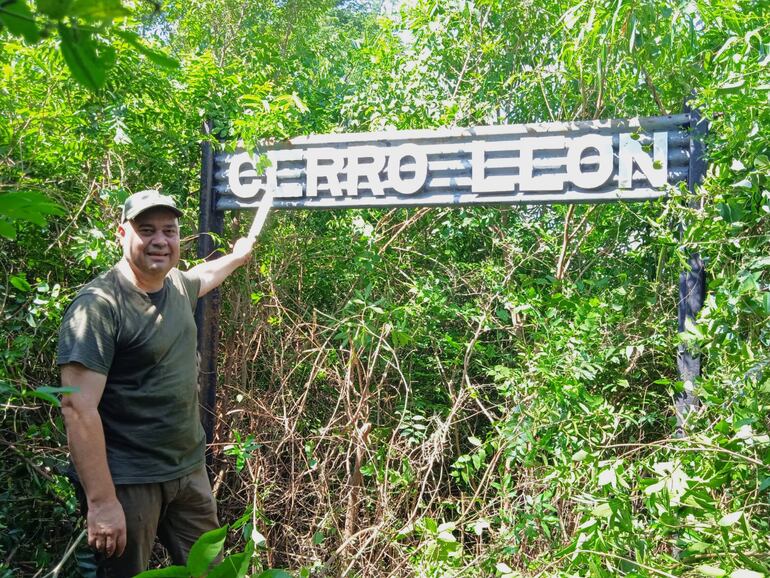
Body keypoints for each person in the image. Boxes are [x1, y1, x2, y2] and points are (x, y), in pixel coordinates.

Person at [57, 189, 254, 577]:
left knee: (215, 572)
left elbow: (204, 275)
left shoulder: (177, 286)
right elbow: (77, 408)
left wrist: (239, 255)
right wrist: (101, 502)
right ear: (122, 234)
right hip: (128, 482)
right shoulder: (99, 306)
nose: (160, 241)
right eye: (147, 230)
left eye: (170, 231)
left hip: (187, 471)